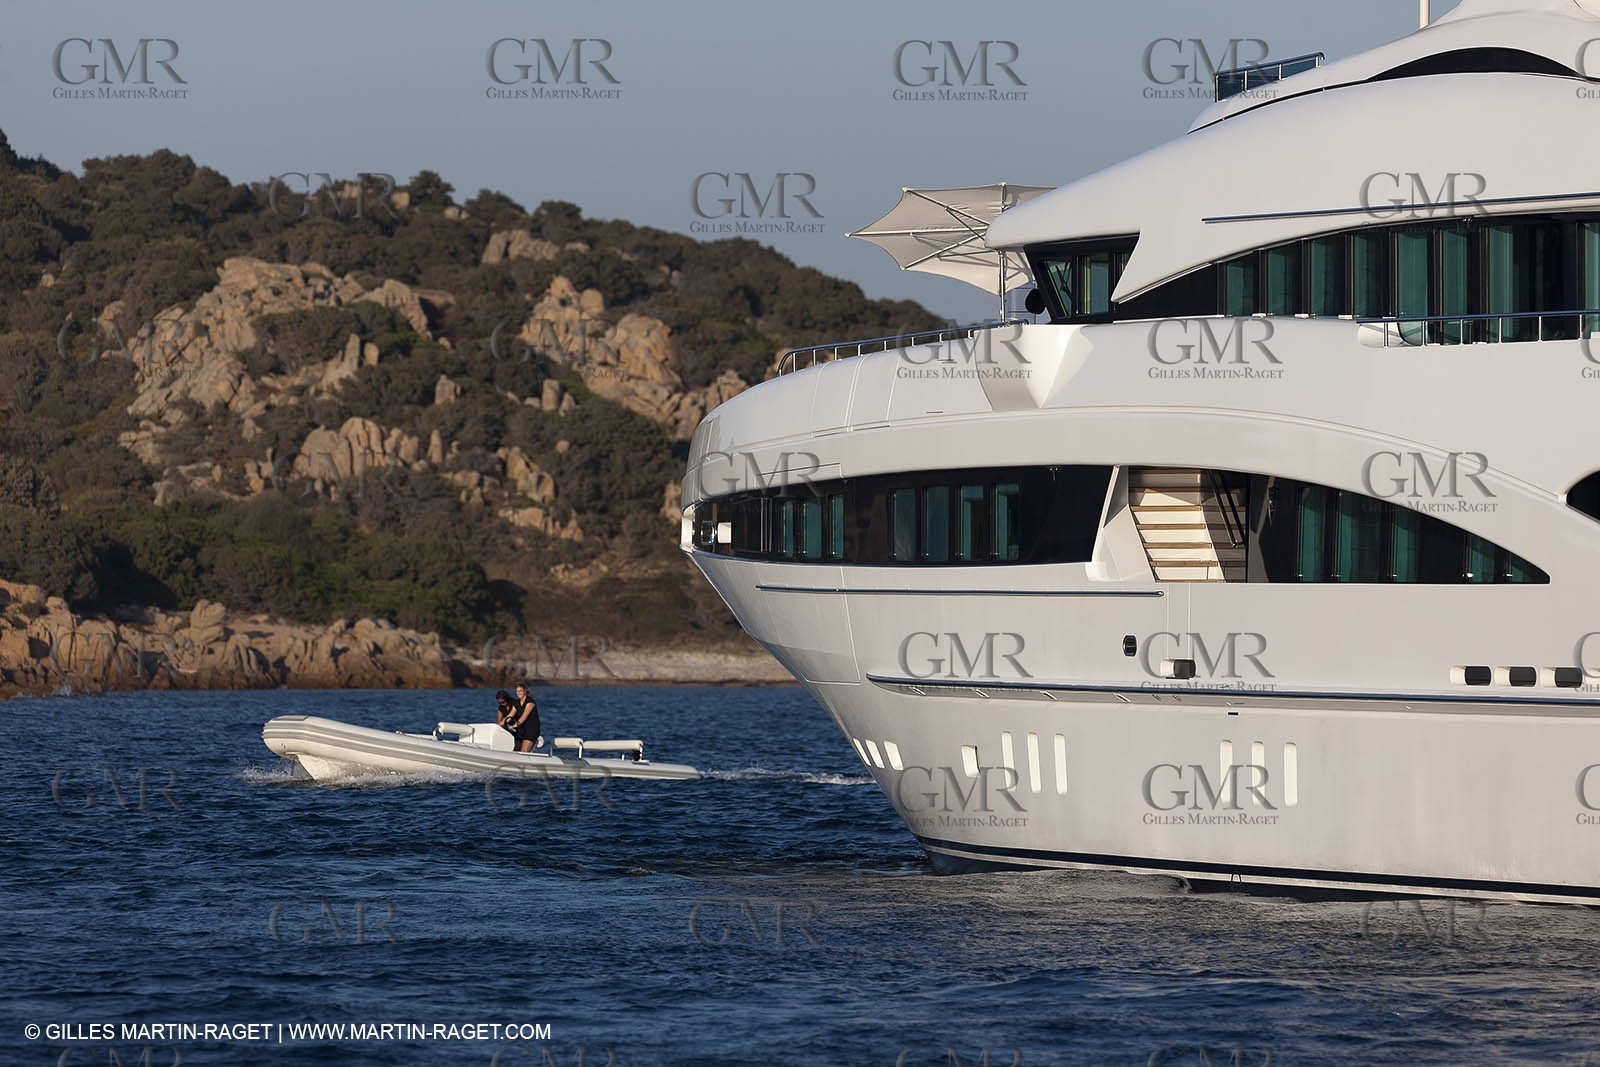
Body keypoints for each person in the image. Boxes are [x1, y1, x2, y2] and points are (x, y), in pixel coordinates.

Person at [508, 681, 543, 753]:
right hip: (522, 729)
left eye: (520, 691)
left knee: (524, 751)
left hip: (532, 729)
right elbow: (510, 716)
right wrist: (499, 725)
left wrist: (513, 726)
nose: (519, 693)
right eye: (517, 691)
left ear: (525, 691)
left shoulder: (530, 702)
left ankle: (536, 738)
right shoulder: (516, 703)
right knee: (516, 750)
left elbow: (523, 718)